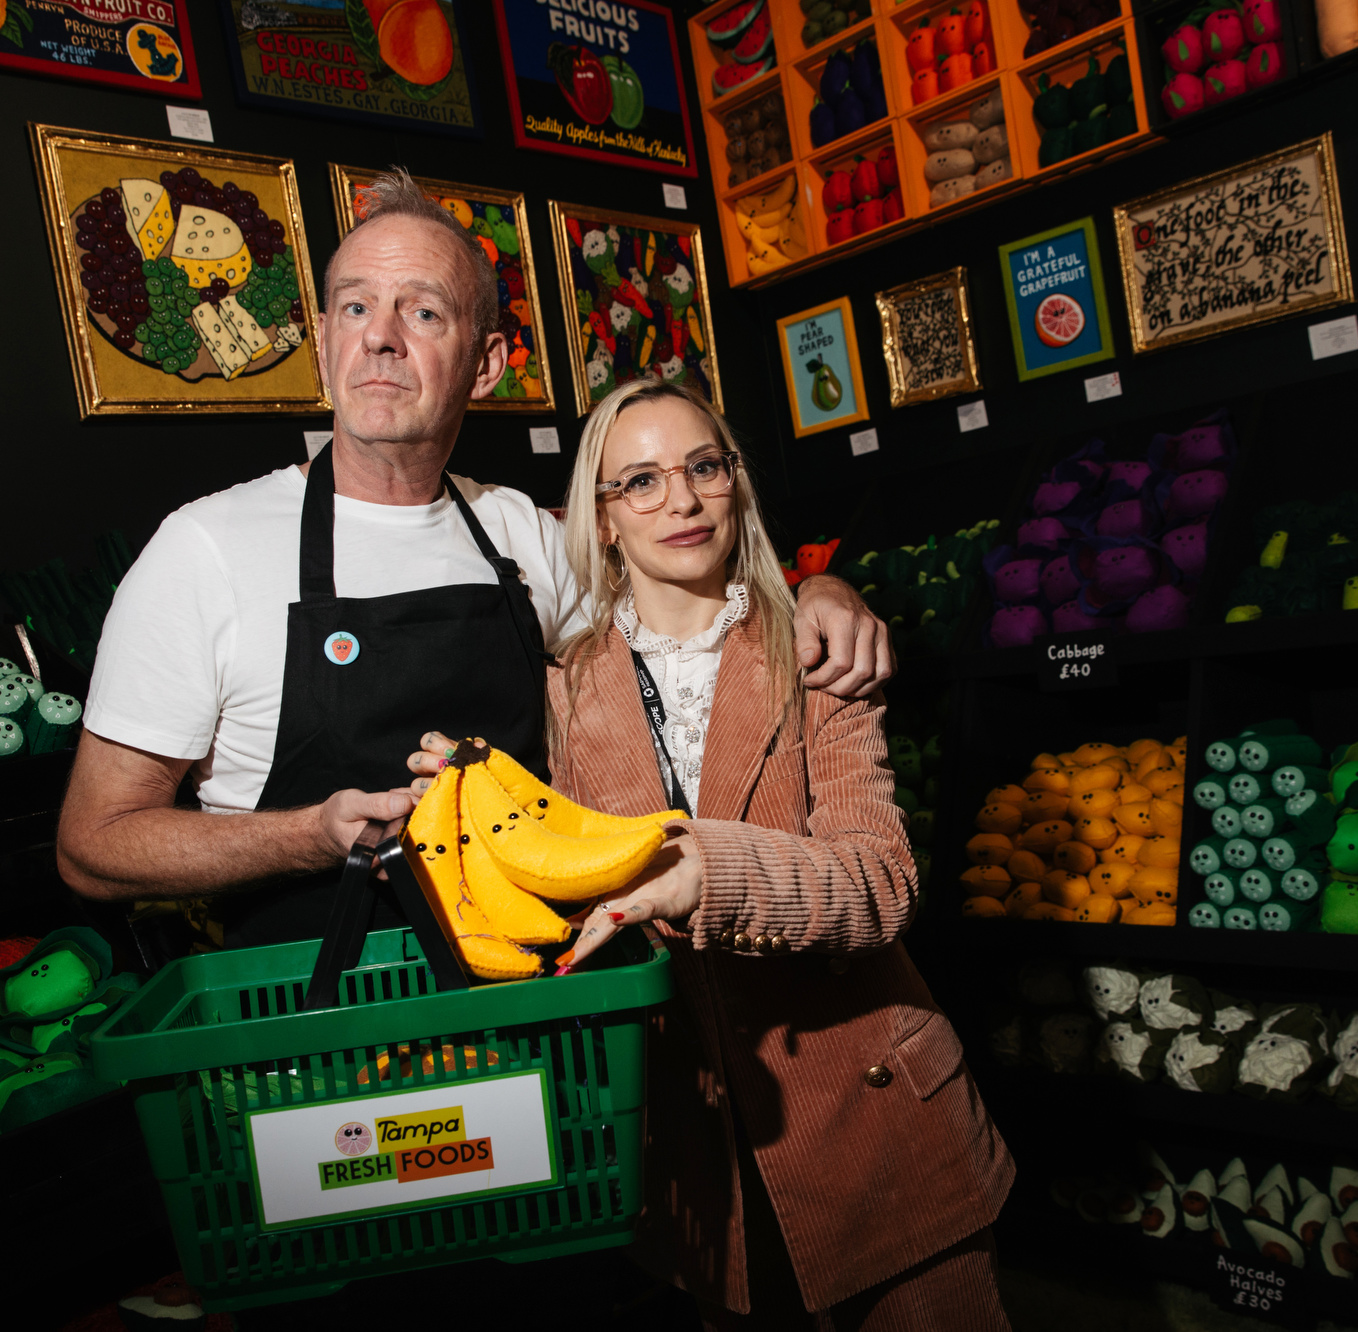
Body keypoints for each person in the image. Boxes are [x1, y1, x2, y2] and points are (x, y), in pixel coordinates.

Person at [55, 167, 891, 949]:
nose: (379, 337)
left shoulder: (520, 533)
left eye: (422, 312)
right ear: (321, 341)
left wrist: (821, 587)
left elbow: (687, 605)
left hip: (540, 1006)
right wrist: (310, 836)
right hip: (318, 1024)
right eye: (354, 308)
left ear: (487, 364)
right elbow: (94, 846)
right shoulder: (204, 549)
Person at [408, 379, 1013, 1330]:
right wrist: (462, 804)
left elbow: (883, 882)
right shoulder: (563, 694)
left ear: (737, 481)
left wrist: (709, 874)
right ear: (600, 520)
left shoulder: (815, 651)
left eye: (702, 468)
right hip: (697, 1158)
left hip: (875, 1125)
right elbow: (562, 892)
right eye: (638, 482)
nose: (680, 503)